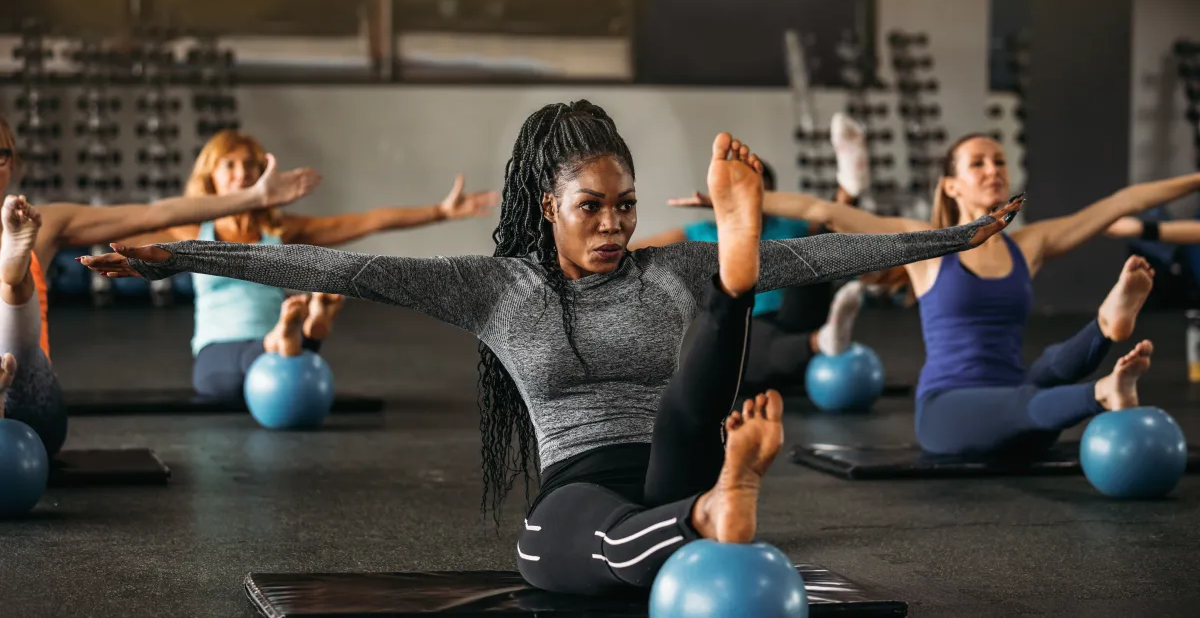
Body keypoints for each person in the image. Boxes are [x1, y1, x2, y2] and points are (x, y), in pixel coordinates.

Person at [79, 101, 1021, 594]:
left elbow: (821, 251)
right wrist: (172, 251)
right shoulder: (498, 287)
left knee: (726, 310)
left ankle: (734, 290)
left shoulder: (664, 269)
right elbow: (346, 272)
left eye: (625, 206)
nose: (613, 225)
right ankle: (712, 511)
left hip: (676, 440)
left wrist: (949, 238)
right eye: (590, 209)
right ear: (546, 208)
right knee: (565, 545)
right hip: (604, 483)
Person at [670, 127, 1190, 457]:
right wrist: (735, 200)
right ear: (951, 185)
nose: (993, 170)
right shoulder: (926, 247)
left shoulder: (1029, 245)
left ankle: (1106, 326)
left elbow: (1123, 201)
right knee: (1035, 396)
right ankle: (1100, 392)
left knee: (1051, 365)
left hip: (1024, 399)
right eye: (978, 163)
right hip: (952, 411)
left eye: (999, 162)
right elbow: (822, 212)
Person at [0, 115, 321, 455]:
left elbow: (155, 214)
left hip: (31, 406)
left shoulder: (42, 224)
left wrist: (255, 197)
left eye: (0, 155)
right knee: (13, 287)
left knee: (17, 321)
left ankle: (11, 281)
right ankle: (11, 281)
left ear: (13, 163)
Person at [119, 130, 499, 399]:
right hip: (218, 353)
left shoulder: (279, 229)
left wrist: (440, 212)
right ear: (211, 177)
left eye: (250, 165)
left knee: (288, 360)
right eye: (229, 165)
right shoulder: (191, 228)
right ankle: (301, 330)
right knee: (276, 358)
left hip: (281, 360)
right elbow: (135, 219)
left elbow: (365, 221)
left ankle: (293, 332)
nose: (242, 173)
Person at [632, 116, 874, 394]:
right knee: (741, 341)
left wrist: (845, 197)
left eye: (762, 195)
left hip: (796, 316)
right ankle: (824, 341)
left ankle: (850, 184)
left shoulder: (790, 226)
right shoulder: (703, 231)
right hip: (749, 326)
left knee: (816, 246)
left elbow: (832, 221)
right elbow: (637, 252)